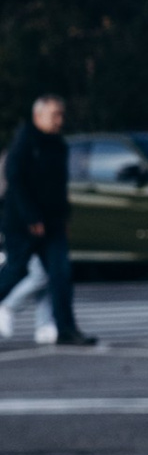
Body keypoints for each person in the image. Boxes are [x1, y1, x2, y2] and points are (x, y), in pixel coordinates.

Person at [0, 95, 94, 349]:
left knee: (60, 274)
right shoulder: (24, 144)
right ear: (38, 116)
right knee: (15, 271)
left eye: (61, 115)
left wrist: (64, 217)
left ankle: (66, 329)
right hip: (22, 222)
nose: (59, 120)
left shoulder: (58, 145)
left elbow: (59, 187)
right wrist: (31, 217)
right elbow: (15, 183)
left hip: (52, 223)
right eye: (54, 115)